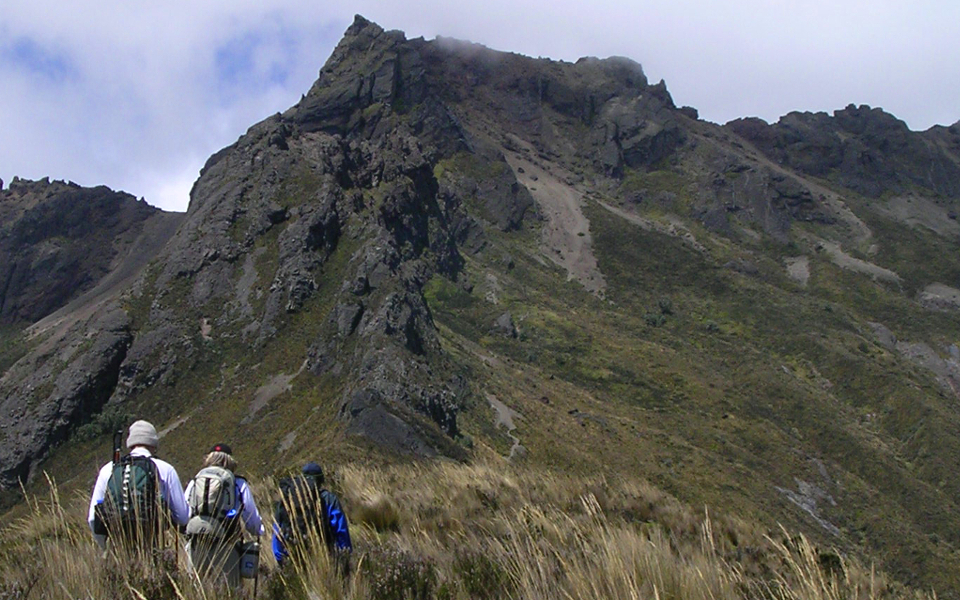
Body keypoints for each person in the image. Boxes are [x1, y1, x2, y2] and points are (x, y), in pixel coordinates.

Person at [87, 420, 189, 552]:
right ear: (154, 444)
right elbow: (183, 517)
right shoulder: (165, 469)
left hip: (116, 548)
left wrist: (104, 548)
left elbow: (92, 518)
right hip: (150, 547)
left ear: (130, 443)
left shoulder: (109, 469)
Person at [184, 443, 263, 588]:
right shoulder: (238, 483)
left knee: (197, 588)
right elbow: (252, 519)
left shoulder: (196, 481)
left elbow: (185, 513)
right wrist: (259, 531)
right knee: (228, 590)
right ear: (230, 460)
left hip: (196, 545)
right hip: (227, 546)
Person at [272, 462, 352, 573]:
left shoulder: (287, 500)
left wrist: (282, 560)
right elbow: (341, 531)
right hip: (325, 562)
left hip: (293, 561)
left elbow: (277, 531)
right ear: (320, 481)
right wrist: (344, 559)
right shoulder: (329, 499)